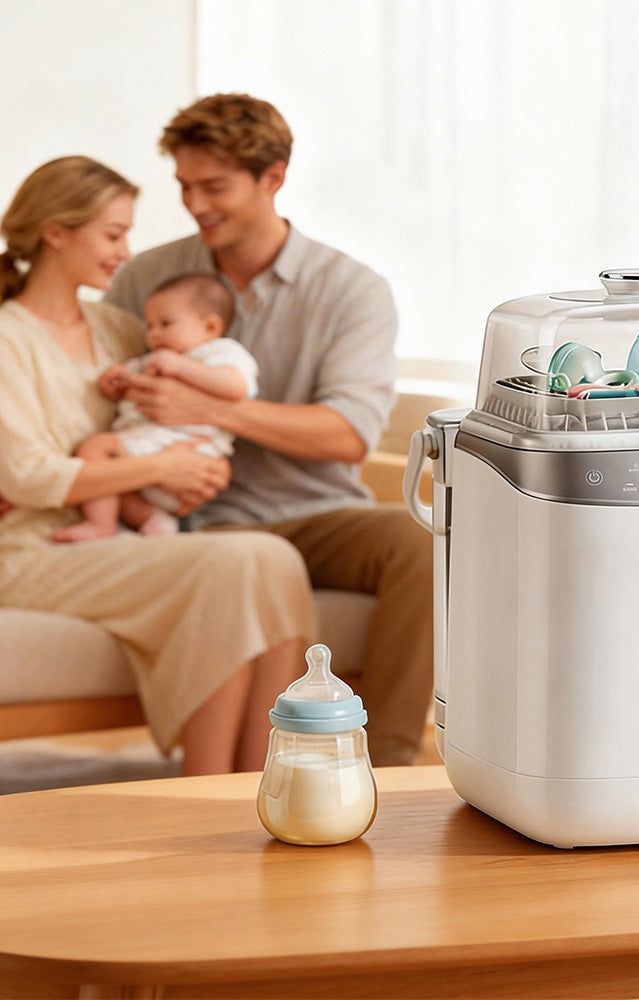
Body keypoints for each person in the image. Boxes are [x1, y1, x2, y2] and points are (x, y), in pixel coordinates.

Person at [103, 93, 433, 766]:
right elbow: (84, 393)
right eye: (185, 186)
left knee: (424, 543)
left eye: (214, 186)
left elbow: (347, 435)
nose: (195, 204)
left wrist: (212, 411)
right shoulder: (146, 279)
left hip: (313, 513)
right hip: (193, 520)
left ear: (273, 177)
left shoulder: (350, 290)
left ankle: (390, 768)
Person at [0, 155, 315, 775]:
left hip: (123, 532)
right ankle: (204, 790)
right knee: (239, 560)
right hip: (30, 548)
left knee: (270, 559)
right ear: (56, 231)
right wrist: (162, 468)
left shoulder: (116, 328)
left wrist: (197, 470)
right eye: (113, 234)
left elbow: (167, 420)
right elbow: (26, 477)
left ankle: (261, 782)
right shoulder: (1, 337)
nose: (125, 251)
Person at [52, 271, 259, 541]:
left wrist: (184, 368)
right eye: (149, 326)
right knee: (112, 485)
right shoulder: (152, 359)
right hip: (150, 450)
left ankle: (100, 525)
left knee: (94, 449)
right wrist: (115, 384)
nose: (154, 334)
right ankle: (153, 520)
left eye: (165, 324)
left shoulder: (219, 353)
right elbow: (129, 387)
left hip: (187, 447)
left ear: (210, 327)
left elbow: (236, 387)